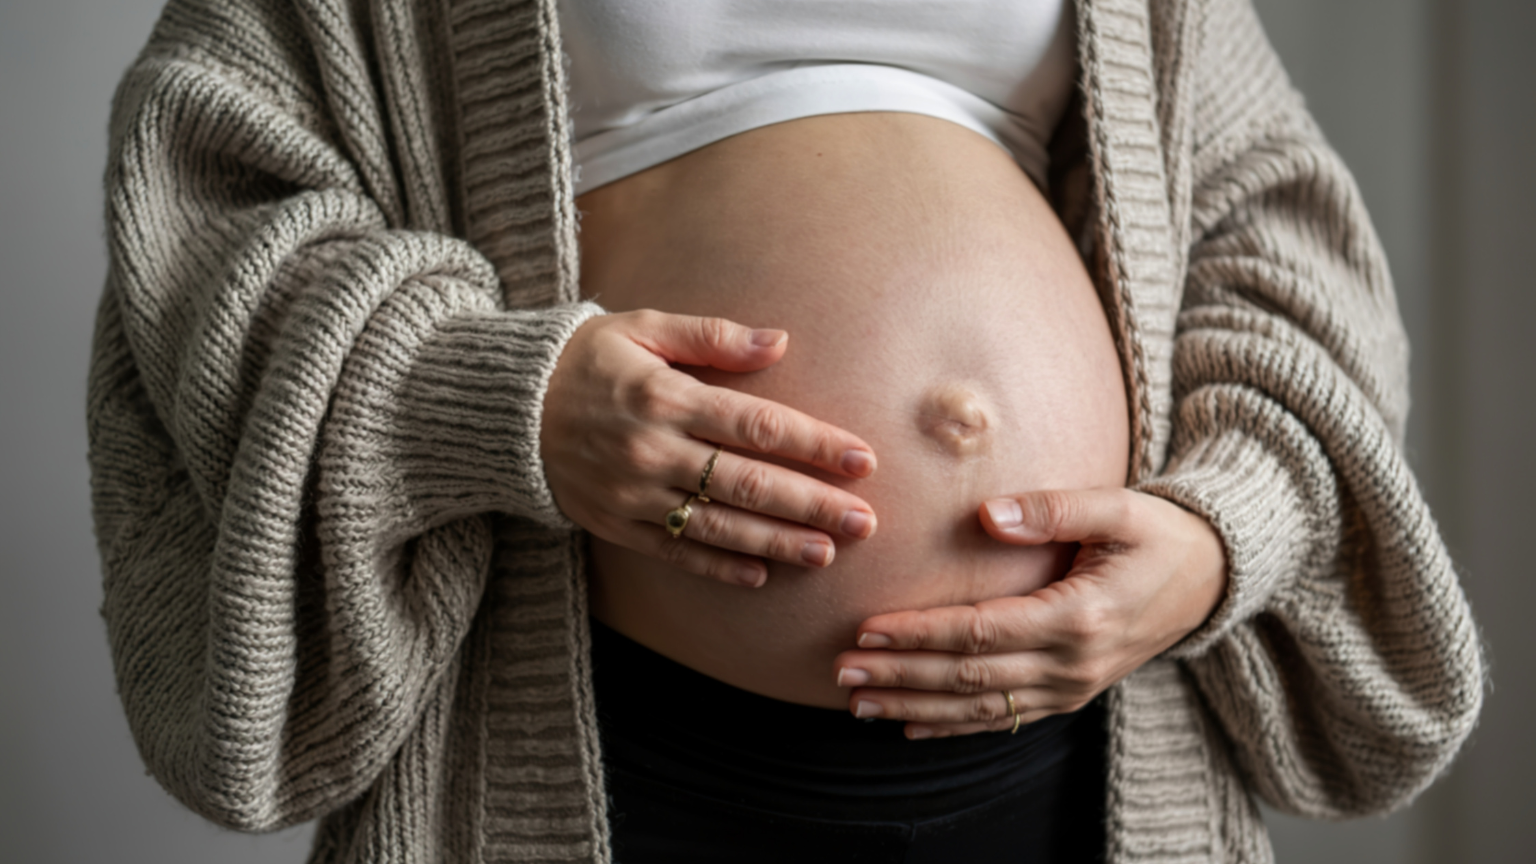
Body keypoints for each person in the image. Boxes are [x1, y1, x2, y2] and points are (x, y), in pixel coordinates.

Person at [89, 0, 1483, 861]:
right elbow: (213, 193)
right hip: (620, 754)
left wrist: (1212, 538)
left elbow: (1270, 221)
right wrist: (503, 395)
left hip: (1080, 757)